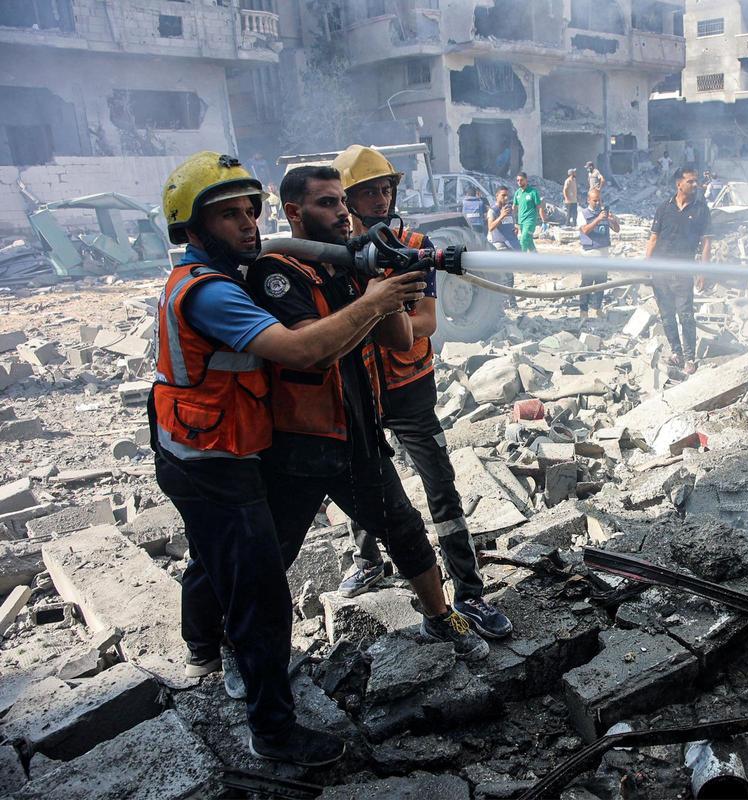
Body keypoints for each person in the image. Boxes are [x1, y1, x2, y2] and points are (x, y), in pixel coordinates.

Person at [152, 152, 420, 766]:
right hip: (210, 458)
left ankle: (201, 645)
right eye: (229, 216)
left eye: (251, 212)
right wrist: (376, 301)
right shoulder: (211, 294)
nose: (249, 226)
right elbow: (302, 353)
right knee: (262, 589)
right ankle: (272, 730)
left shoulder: (217, 278)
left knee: (221, 560)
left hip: (209, 444)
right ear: (190, 227)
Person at [245, 165, 490, 665]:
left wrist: (385, 279)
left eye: (341, 202)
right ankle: (244, 652)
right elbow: (312, 350)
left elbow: (402, 337)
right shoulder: (275, 271)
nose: (342, 212)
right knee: (271, 552)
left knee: (404, 526)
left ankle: (442, 617)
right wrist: (372, 299)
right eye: (329, 203)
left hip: (357, 426)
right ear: (294, 213)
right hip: (300, 439)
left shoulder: (354, 264)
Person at [330, 145, 512, 640]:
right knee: (366, 479)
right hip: (360, 390)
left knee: (440, 486)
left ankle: (469, 592)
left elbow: (427, 321)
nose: (381, 197)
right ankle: (365, 560)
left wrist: (372, 311)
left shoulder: (413, 246)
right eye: (369, 191)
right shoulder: (336, 255)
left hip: (409, 389)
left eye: (386, 187)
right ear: (347, 199)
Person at [646, 166, 711, 375]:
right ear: (679, 184)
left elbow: (706, 242)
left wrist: (703, 270)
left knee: (685, 315)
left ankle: (690, 357)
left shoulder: (701, 209)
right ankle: (676, 352)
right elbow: (653, 238)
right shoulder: (664, 208)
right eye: (691, 181)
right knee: (667, 315)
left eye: (696, 181)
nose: (695, 185)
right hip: (660, 270)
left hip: (684, 271)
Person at [577, 187, 620, 320]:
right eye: (595, 200)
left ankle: (597, 308)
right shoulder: (582, 214)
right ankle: (583, 311)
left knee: (601, 283)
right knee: (587, 284)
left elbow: (617, 230)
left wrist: (612, 220)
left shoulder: (605, 213)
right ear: (588, 200)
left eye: (599, 200)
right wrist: (597, 219)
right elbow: (584, 230)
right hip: (589, 255)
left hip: (603, 254)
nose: (597, 203)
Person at [513, 172, 545, 253]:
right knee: (529, 241)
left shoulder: (533, 192)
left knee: (523, 240)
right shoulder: (517, 193)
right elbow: (514, 207)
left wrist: (544, 221)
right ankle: (536, 259)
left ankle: (521, 261)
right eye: (517, 180)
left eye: (521, 180)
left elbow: (540, 207)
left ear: (526, 180)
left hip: (530, 222)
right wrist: (512, 221)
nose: (519, 182)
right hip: (521, 222)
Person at [487, 186, 520, 251]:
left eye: (507, 195)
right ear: (497, 196)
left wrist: (515, 229)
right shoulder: (492, 210)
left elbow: (510, 224)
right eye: (503, 195)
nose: (506, 198)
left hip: (512, 241)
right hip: (500, 244)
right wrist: (501, 216)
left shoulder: (509, 209)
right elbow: (490, 227)